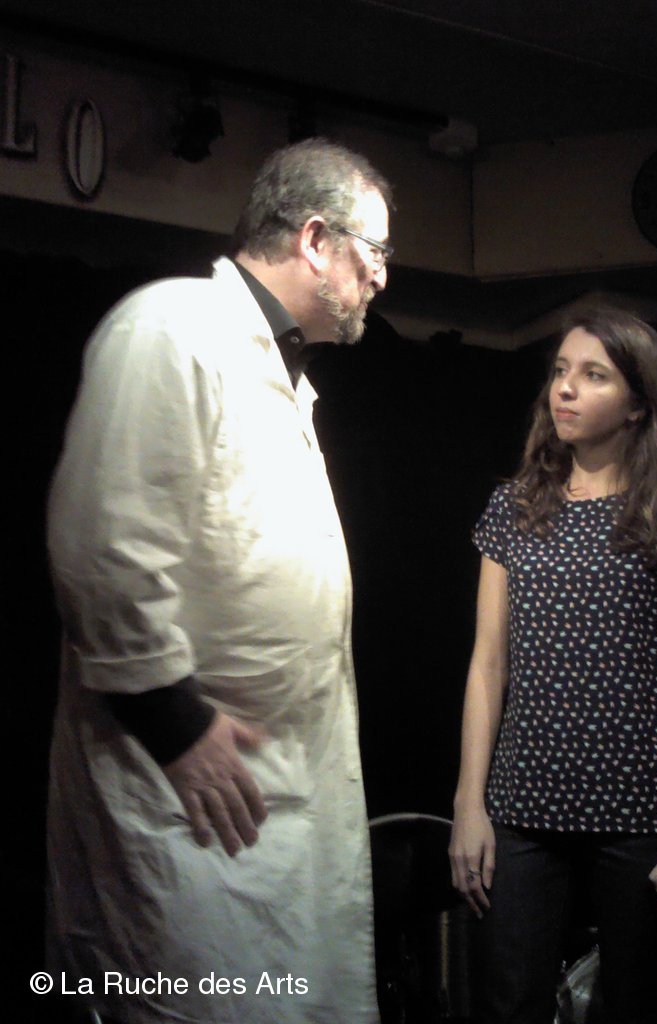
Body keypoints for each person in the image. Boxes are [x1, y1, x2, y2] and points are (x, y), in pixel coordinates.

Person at [46, 137, 393, 1024]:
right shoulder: (174, 327)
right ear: (315, 239)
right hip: (183, 798)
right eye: (374, 250)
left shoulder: (283, 378)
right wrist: (175, 722)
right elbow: (102, 544)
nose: (382, 276)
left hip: (268, 797)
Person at [448, 307, 657, 1024]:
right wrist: (469, 805)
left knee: (635, 1007)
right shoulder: (515, 507)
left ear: (638, 404)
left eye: (594, 375)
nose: (565, 389)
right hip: (523, 808)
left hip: (642, 808)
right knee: (507, 1004)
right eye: (561, 372)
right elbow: (487, 664)